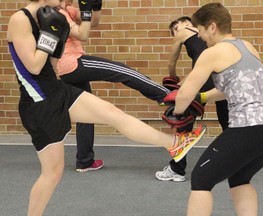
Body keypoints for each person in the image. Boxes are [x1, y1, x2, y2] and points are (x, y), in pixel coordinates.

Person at [6, 0, 205, 215]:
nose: (66, 0)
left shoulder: (54, 15)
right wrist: (49, 35)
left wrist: (58, 40)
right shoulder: (21, 19)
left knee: (112, 113)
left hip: (57, 90)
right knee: (52, 174)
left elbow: (52, 67)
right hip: (39, 103)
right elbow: (34, 67)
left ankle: (175, 144)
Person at [171, 3, 263, 216]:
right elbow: (228, 89)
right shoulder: (247, 46)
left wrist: (177, 112)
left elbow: (184, 94)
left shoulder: (211, 53)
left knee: (201, 179)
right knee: (240, 178)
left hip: (249, 129)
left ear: (212, 27)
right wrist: (203, 97)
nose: (200, 37)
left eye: (201, 31)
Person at [57, 0, 174, 172]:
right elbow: (83, 34)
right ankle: (165, 96)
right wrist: (87, 12)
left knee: (86, 113)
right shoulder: (58, 14)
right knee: (121, 71)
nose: (71, 1)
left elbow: (93, 22)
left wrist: (95, 6)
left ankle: (85, 160)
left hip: (67, 67)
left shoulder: (67, 10)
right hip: (72, 63)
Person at [155, 16, 229, 182]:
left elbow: (171, 63)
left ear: (186, 24)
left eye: (176, 28)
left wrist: (172, 80)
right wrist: (181, 85)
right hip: (221, 76)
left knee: (183, 123)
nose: (176, 32)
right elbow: (200, 70)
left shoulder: (183, 32)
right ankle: (236, 164)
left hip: (206, 76)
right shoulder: (207, 35)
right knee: (227, 122)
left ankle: (177, 170)